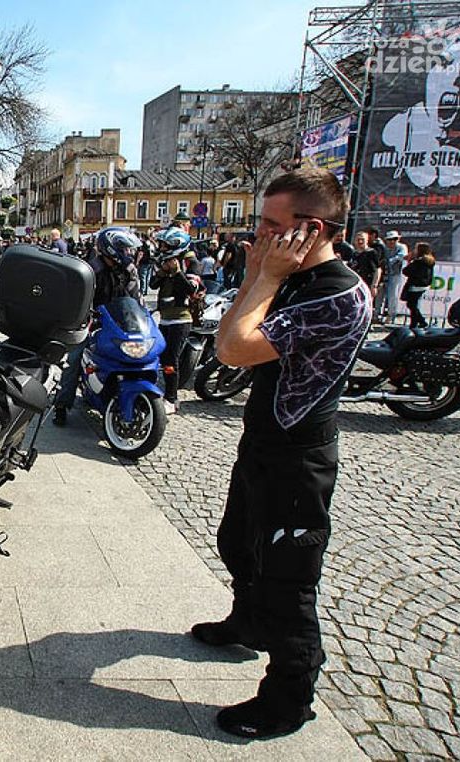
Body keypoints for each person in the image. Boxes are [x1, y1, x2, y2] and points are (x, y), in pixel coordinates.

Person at [195, 168, 371, 740]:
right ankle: (247, 622)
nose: (259, 234)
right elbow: (226, 334)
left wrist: (264, 278)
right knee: (237, 541)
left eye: (272, 225)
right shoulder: (289, 277)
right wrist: (256, 277)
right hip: (263, 442)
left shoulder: (337, 293)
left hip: (299, 459)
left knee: (288, 585)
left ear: (311, 229)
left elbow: (233, 349)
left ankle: (288, 699)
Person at [53, 227, 142, 426]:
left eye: (128, 249)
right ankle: (61, 405)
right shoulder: (92, 270)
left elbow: (135, 297)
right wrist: (84, 317)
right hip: (93, 322)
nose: (127, 253)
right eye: (123, 248)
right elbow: (79, 299)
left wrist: (141, 317)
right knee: (74, 358)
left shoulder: (129, 269)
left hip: (119, 323)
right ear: (110, 248)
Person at [150, 228, 197, 414]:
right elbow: (153, 284)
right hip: (165, 319)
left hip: (181, 320)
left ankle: (171, 398)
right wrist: (162, 272)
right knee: (161, 357)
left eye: (166, 246)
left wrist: (177, 272)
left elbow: (190, 289)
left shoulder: (190, 263)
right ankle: (160, 391)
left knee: (171, 359)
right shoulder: (164, 263)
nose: (162, 249)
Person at [401, 241, 435, 328]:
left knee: (411, 304)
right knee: (413, 304)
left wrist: (409, 261)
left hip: (416, 285)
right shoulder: (429, 260)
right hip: (424, 285)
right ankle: (416, 322)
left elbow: (406, 271)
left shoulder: (418, 261)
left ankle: (419, 322)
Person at [381, 231, 408, 323]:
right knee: (380, 295)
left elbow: (402, 256)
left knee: (393, 295)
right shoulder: (384, 248)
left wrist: (390, 260)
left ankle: (391, 315)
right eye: (390, 239)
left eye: (395, 239)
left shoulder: (402, 247)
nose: (392, 241)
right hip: (384, 274)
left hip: (395, 274)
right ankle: (377, 314)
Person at [350, 230, 382, 305]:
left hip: (368, 284)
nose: (360, 241)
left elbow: (378, 269)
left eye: (362, 239)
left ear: (367, 240)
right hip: (356, 285)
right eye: (358, 239)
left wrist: (374, 286)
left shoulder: (372, 252)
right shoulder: (354, 254)